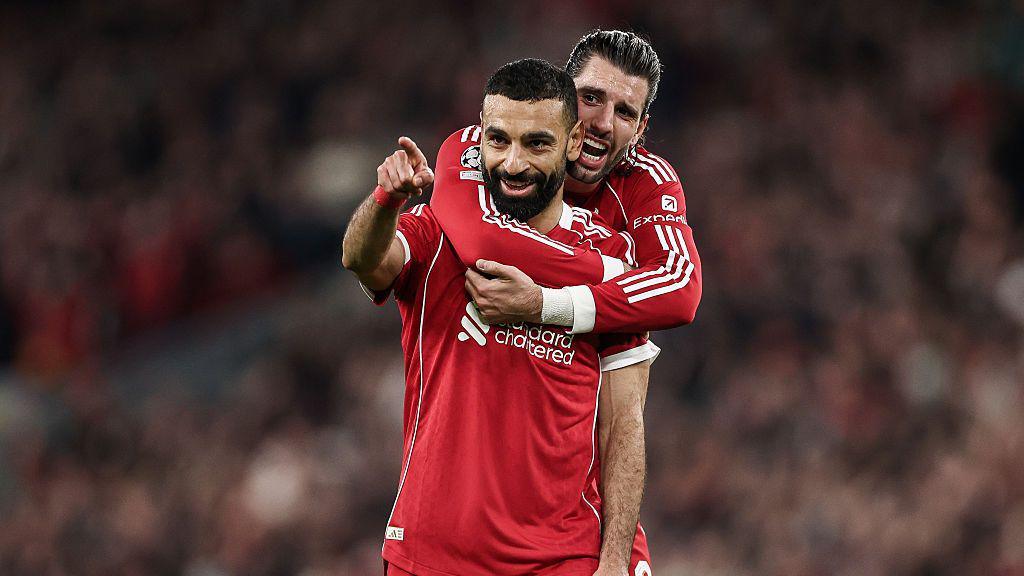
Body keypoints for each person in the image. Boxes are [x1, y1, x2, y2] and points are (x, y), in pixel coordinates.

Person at [342, 58, 658, 576]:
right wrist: (385, 200)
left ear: (574, 142)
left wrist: (615, 560)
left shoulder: (612, 263)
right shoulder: (441, 230)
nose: (512, 164)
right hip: (432, 552)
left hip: (559, 559)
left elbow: (624, 423)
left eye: (536, 144)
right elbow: (362, 259)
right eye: (498, 141)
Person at [427, 30, 699, 576]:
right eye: (592, 97)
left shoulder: (645, 184)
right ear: (560, 93)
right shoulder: (478, 144)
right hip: (477, 488)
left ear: (641, 131)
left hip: (590, 496)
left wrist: (549, 303)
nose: (601, 121)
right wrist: (611, 273)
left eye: (625, 111)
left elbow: (681, 287)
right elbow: (483, 242)